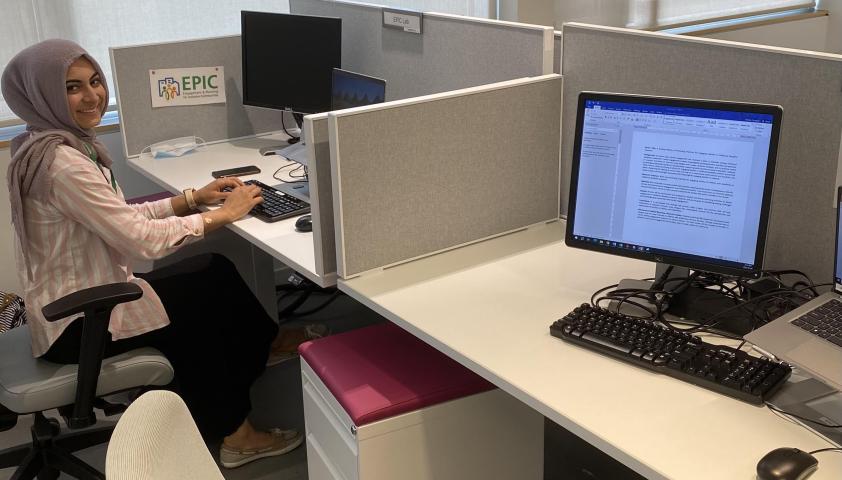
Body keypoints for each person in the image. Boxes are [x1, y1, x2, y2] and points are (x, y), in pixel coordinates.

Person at [2, 39, 301, 468]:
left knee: (213, 269)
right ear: (43, 94)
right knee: (195, 315)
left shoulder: (52, 144)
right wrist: (221, 216)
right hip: (78, 323)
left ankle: (265, 343)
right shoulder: (61, 164)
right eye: (72, 87)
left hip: (75, 301)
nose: (92, 96)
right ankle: (237, 435)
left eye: (95, 81)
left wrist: (192, 199)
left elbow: (116, 216)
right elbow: (140, 240)